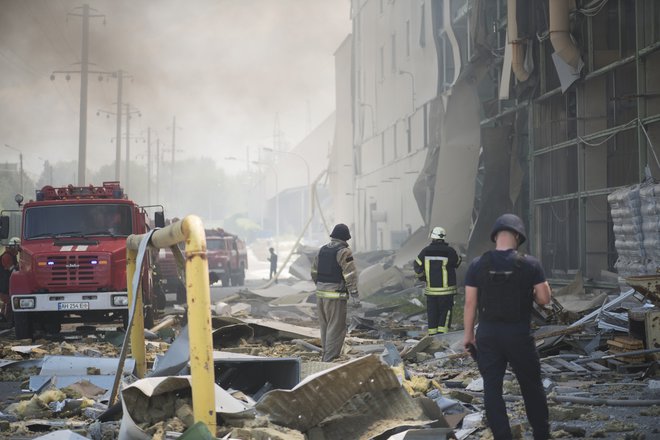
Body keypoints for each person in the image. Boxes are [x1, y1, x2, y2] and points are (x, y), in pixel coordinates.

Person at [463, 214, 552, 440]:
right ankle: (541, 435)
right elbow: (544, 299)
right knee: (531, 386)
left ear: (495, 237)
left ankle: (503, 436)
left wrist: (468, 336)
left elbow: (470, 303)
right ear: (517, 236)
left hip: (488, 335)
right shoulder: (530, 263)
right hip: (518, 335)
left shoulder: (477, 264)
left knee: (492, 389)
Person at [311, 223, 359, 361]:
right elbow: (350, 275)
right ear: (345, 238)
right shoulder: (344, 251)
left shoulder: (322, 250)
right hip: (335, 296)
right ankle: (329, 360)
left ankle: (326, 355)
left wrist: (320, 286)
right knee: (335, 328)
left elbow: (314, 271)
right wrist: (354, 295)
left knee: (325, 327)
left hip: (320, 295)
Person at [414, 226, 462, 335]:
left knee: (432, 313)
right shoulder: (450, 251)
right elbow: (457, 263)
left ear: (432, 237)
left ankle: (432, 335)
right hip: (446, 291)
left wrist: (422, 277)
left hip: (431, 291)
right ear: (443, 238)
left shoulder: (425, 251)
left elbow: (417, 265)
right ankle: (442, 336)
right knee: (445, 312)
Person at [0, 238, 20, 322]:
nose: (18, 249)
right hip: (3, 286)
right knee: (9, 302)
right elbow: (12, 270)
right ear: (14, 246)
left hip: (7, 285)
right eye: (18, 247)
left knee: (9, 302)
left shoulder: (12, 255)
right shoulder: (7, 256)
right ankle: (6, 322)